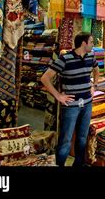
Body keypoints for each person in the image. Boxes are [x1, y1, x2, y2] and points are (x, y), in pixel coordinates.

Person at [41, 33, 99, 166]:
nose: (93, 44)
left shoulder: (91, 56)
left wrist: (93, 85)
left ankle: (78, 164)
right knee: (65, 140)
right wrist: (58, 96)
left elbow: (96, 70)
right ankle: (59, 164)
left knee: (82, 138)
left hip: (87, 103)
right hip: (70, 106)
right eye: (91, 42)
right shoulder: (65, 58)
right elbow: (45, 78)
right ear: (83, 43)